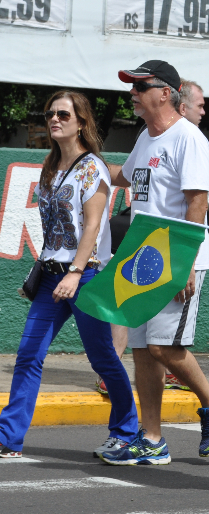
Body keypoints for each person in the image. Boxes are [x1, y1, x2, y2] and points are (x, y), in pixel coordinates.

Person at [101, 60, 209, 466]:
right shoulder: (146, 137)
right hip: (143, 257)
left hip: (174, 258)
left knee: (164, 345)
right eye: (132, 88)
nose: (133, 94)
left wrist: (185, 264)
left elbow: (196, 202)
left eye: (140, 87)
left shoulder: (188, 138)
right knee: (142, 350)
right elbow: (123, 178)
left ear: (165, 92)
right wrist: (81, 162)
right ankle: (152, 438)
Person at [0, 92, 139, 460]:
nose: (54, 119)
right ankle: (8, 438)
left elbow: (93, 226)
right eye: (50, 113)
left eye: (63, 113)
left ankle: (126, 431)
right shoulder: (50, 168)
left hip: (86, 276)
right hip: (51, 277)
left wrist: (75, 272)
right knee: (29, 355)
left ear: (81, 122)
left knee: (103, 358)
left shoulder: (92, 167)